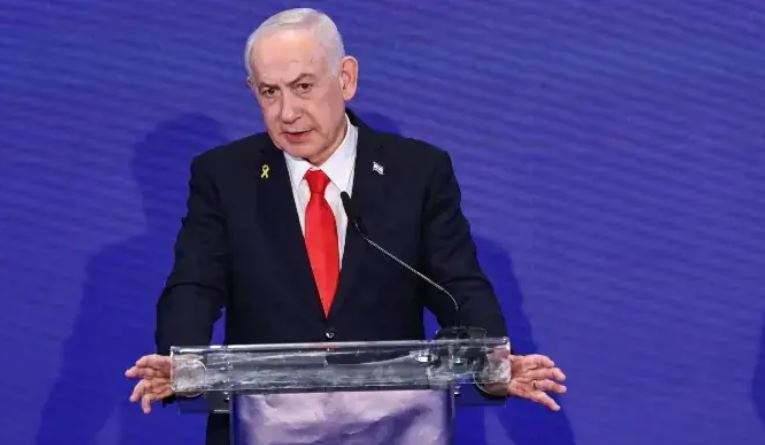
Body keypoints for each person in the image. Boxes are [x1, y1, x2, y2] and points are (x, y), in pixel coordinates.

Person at [125, 7, 567, 444]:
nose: (287, 112)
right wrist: (181, 361)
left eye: (303, 87)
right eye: (269, 92)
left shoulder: (417, 171)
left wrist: (492, 363)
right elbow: (195, 285)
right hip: (265, 425)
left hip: (394, 426)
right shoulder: (224, 176)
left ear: (346, 78)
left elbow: (458, 285)